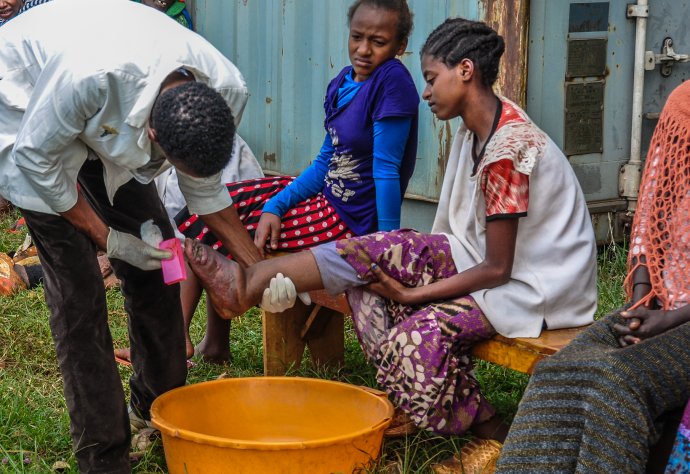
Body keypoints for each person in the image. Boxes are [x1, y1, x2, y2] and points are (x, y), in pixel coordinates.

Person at [181, 16, 597, 472]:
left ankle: (494, 432)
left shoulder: (508, 151)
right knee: (368, 267)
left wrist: (414, 295)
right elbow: (459, 243)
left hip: (533, 284)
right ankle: (248, 282)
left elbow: (498, 268)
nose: (426, 92)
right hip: (480, 259)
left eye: (432, 79)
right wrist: (393, 252)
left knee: (411, 343)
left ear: (464, 70)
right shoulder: (476, 126)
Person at [0, 1, 268, 471]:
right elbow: (37, 162)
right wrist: (108, 239)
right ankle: (103, 455)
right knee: (78, 294)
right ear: (152, 133)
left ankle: (159, 410)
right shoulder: (88, 76)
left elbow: (206, 188)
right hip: (25, 112)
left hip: (102, 104)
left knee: (165, 264)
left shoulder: (224, 89)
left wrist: (260, 269)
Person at [175, 0, 420, 363]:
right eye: (357, 37)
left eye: (378, 41)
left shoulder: (392, 82)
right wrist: (277, 204)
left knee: (220, 228)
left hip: (350, 220)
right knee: (211, 209)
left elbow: (386, 170)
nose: (364, 50)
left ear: (399, 46)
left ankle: (177, 345)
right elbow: (326, 161)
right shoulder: (343, 83)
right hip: (325, 197)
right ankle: (209, 343)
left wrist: (383, 248)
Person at [495, 81, 690, 474]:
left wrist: (669, 320)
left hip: (678, 320)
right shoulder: (682, 105)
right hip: (660, 306)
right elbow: (651, 215)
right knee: (557, 371)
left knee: (618, 380)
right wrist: (641, 302)